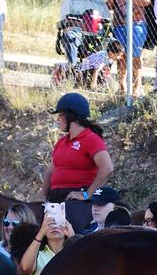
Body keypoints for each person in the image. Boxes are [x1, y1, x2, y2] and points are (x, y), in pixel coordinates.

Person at [41, 92, 114, 234]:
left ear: (71, 116)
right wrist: (43, 197)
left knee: (70, 237)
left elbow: (107, 168)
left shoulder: (91, 139)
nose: (58, 119)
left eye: (61, 115)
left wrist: (86, 195)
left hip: (76, 198)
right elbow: (51, 172)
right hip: (55, 199)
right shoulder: (62, 142)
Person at [108, 0, 153, 96]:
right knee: (121, 55)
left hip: (137, 23)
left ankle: (136, 86)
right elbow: (109, 6)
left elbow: (147, 0)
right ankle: (122, 86)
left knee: (135, 55)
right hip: (119, 24)